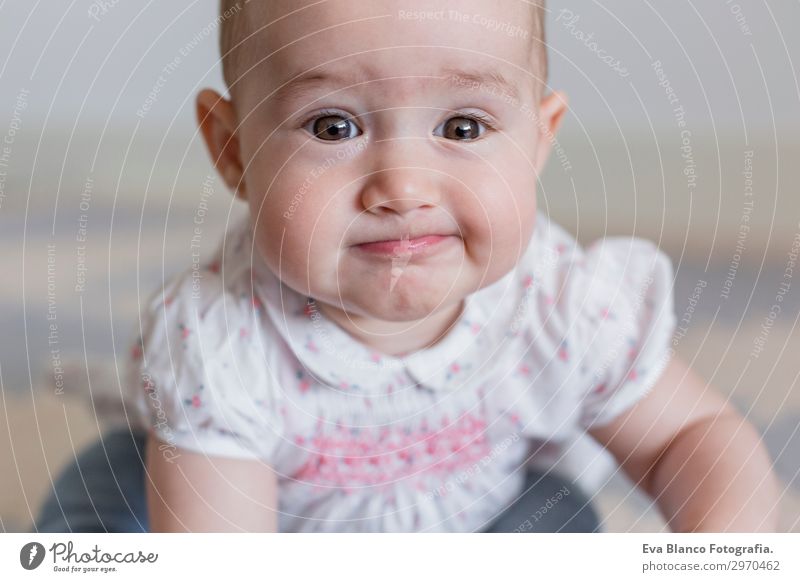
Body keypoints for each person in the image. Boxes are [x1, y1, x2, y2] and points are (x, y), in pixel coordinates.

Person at [36, 0, 778, 533]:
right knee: (98, 518)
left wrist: (721, 550)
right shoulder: (222, 340)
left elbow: (692, 437)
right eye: (334, 126)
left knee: (562, 518)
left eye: (463, 126)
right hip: (231, 511)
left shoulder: (561, 307)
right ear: (233, 151)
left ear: (536, 140)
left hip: (479, 520)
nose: (402, 187)